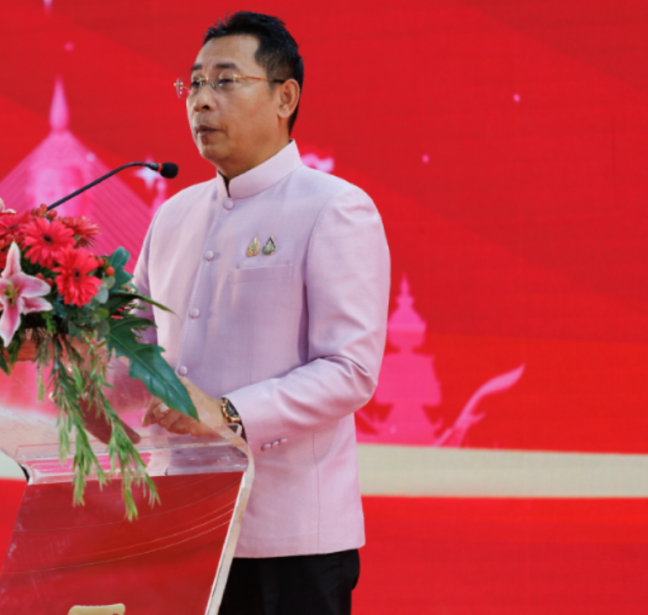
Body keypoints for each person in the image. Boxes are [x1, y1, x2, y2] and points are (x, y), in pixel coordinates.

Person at [134, 11, 390, 615]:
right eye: (195, 83)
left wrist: (226, 412)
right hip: (181, 526)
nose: (201, 100)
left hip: (289, 539)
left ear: (285, 97)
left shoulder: (333, 208)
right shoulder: (173, 215)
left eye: (225, 81)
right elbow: (136, 346)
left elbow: (350, 370)